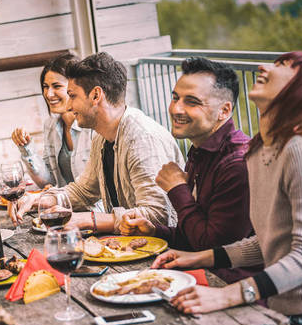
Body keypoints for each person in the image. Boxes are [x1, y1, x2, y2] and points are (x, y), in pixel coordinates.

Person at [144, 51, 302, 325]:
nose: (264, 67)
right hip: (279, 311)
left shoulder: (298, 150)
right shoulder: (261, 149)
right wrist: (200, 257)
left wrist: (225, 295)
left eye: (282, 67)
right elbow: (267, 242)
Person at [10, 52, 185, 233]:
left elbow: (158, 215)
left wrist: (87, 220)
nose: (69, 106)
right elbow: (83, 191)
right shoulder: (102, 137)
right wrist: (36, 200)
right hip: (129, 243)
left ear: (95, 95)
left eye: (73, 96)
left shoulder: (142, 138)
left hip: (168, 250)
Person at [120, 57, 258, 284]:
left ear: (224, 110)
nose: (176, 109)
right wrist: (154, 232)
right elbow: (194, 235)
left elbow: (212, 249)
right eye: (175, 98)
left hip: (234, 285)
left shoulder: (237, 164)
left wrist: (177, 190)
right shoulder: (200, 149)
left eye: (191, 102)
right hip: (203, 273)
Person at [11, 53, 92, 187]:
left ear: (74, 87)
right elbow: (49, 182)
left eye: (56, 86)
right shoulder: (50, 125)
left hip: (95, 207)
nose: (48, 94)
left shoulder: (92, 127)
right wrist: (26, 149)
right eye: (46, 86)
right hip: (65, 205)